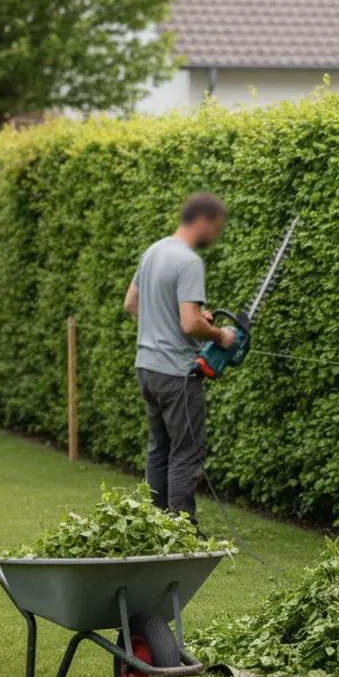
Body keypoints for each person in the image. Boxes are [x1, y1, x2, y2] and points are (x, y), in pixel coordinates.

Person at [123, 193, 236, 531]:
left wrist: (178, 319)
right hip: (175, 372)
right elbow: (190, 325)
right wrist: (220, 336)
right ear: (202, 221)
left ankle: (157, 524)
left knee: (159, 448)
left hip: (147, 368)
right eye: (215, 228)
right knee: (186, 450)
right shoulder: (188, 262)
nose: (215, 236)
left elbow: (131, 303)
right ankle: (183, 529)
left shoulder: (154, 251)